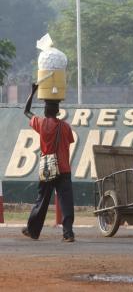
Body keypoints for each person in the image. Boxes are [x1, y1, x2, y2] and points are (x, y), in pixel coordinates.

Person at [21, 83, 75, 242]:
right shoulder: (66, 127)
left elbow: (26, 111)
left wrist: (33, 92)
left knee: (42, 200)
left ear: (45, 111)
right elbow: (69, 142)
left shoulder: (41, 123)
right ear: (58, 112)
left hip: (48, 169)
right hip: (64, 168)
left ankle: (33, 231)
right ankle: (68, 233)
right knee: (66, 201)